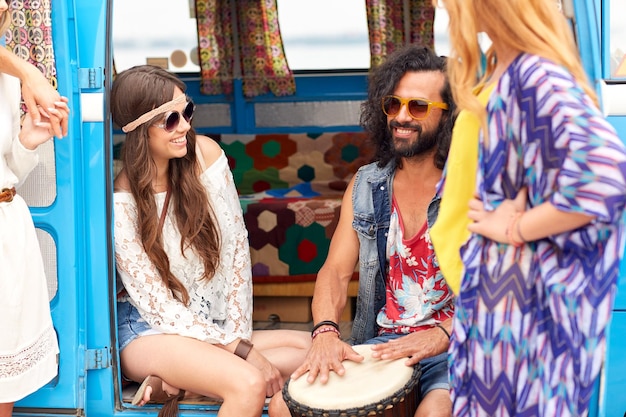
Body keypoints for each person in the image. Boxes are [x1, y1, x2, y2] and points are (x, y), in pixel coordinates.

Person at [431, 0, 626, 415]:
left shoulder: (530, 74)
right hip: (499, 323)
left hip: (522, 331)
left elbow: (605, 176)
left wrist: (513, 228)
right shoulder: (506, 67)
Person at [111, 65, 311, 417]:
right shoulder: (123, 196)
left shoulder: (206, 155)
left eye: (186, 111)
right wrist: (242, 353)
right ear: (139, 129)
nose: (185, 126)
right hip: (148, 329)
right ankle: (193, 374)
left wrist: (238, 339)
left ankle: (180, 383)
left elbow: (236, 252)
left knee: (308, 349)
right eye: (170, 120)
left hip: (203, 322)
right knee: (248, 382)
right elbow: (156, 305)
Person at [286, 45, 457, 417]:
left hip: (453, 346)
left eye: (418, 107)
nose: (401, 116)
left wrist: (443, 334)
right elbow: (333, 271)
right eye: (393, 104)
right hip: (382, 345)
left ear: (448, 118)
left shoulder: (468, 187)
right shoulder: (367, 183)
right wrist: (326, 331)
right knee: (285, 409)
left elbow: (498, 289)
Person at [0, 0, 69, 415]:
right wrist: (30, 70)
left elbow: (9, 171)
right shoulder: (18, 74)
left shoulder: (10, 80)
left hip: (6, 225)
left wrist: (28, 140)